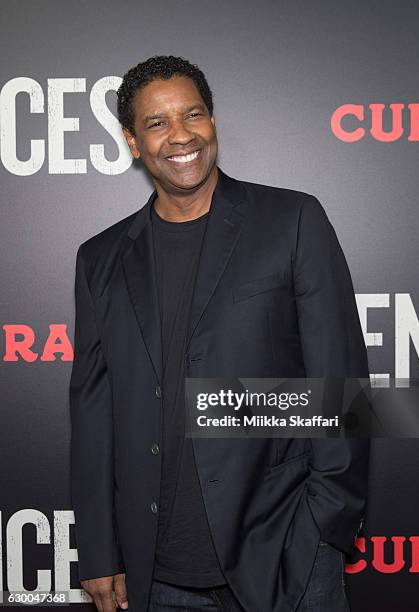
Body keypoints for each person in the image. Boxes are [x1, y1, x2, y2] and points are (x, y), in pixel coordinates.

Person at [69, 55, 370, 612]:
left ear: (213, 123)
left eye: (194, 114)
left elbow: (342, 387)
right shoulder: (101, 258)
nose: (180, 135)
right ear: (133, 143)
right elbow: (94, 414)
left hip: (284, 552)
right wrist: (98, 550)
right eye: (156, 123)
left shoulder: (292, 220)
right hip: (152, 570)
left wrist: (322, 526)